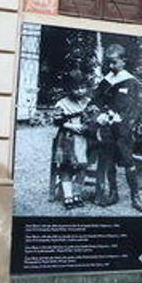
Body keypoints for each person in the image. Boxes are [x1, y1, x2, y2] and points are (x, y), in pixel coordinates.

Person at [93, 43, 142, 212]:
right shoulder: (107, 79)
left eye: (114, 62)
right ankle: (113, 194)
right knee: (109, 161)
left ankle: (135, 197)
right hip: (107, 127)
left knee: (128, 161)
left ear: (124, 61)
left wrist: (127, 120)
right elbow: (96, 99)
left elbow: (140, 105)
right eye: (109, 62)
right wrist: (102, 113)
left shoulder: (131, 81)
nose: (111, 66)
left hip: (123, 128)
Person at [50, 70, 92, 210]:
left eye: (82, 87)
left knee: (82, 166)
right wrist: (71, 126)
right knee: (66, 167)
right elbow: (57, 121)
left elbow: (93, 118)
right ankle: (67, 195)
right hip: (67, 138)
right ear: (69, 89)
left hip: (84, 139)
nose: (80, 91)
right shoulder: (62, 103)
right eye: (76, 88)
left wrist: (87, 126)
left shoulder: (88, 102)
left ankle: (76, 194)